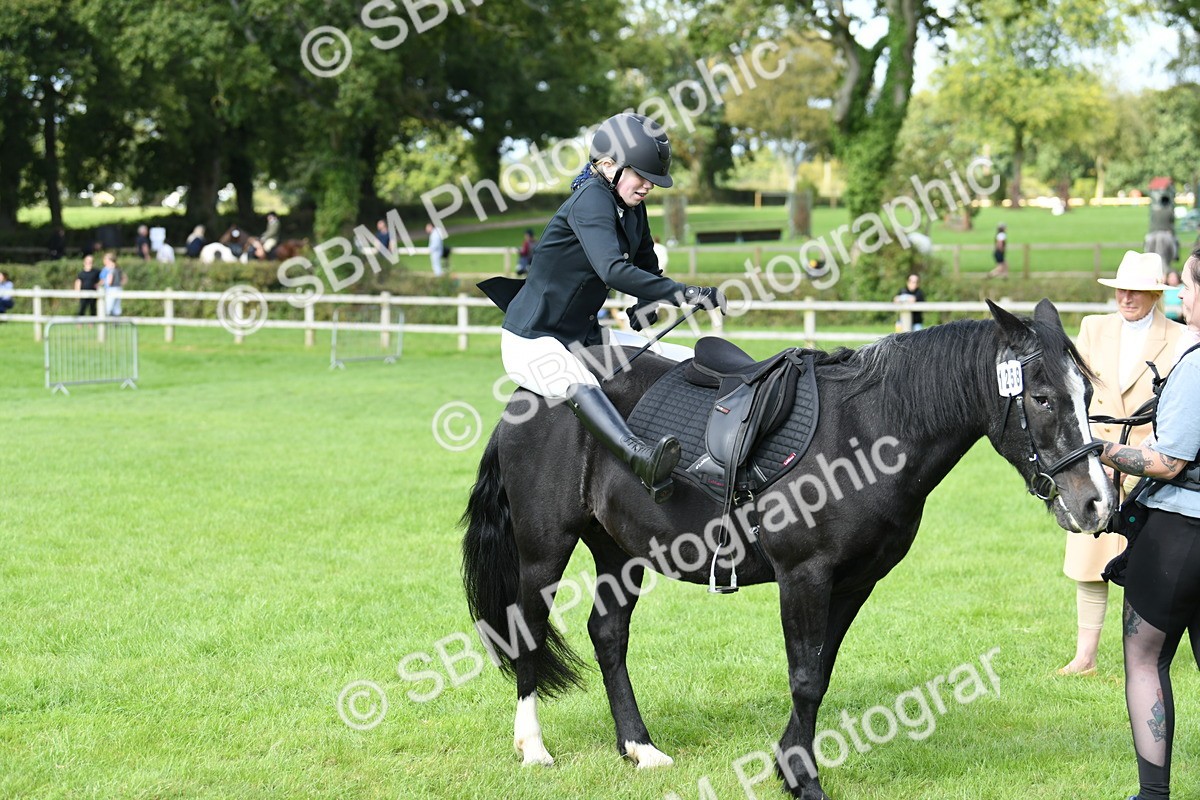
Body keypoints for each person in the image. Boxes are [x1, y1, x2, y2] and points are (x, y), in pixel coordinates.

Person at [486, 112, 726, 502]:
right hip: (533, 340)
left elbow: (646, 263)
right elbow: (613, 270)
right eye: (642, 176)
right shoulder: (590, 202)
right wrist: (688, 293)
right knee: (579, 382)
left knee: (680, 359)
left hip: (586, 337)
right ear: (608, 165)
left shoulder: (631, 208)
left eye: (653, 180)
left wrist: (646, 302)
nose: (648, 186)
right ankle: (641, 457)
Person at [1096, 250, 1200, 800]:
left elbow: (1169, 462)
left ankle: (1153, 794)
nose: (1184, 297)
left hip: (1181, 535)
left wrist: (1101, 451)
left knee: (1145, 658)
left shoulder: (1199, 359)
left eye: (1187, 287)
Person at [1060, 251, 1185, 677]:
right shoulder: (1093, 328)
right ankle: (1085, 656)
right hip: (1093, 460)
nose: (1126, 296)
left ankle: (1143, 655)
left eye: (1135, 290)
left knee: (1149, 561)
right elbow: (1077, 389)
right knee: (1088, 557)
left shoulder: (1181, 337)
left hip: (1151, 460)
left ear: (1155, 294)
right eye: (1120, 288)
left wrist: (1146, 451)